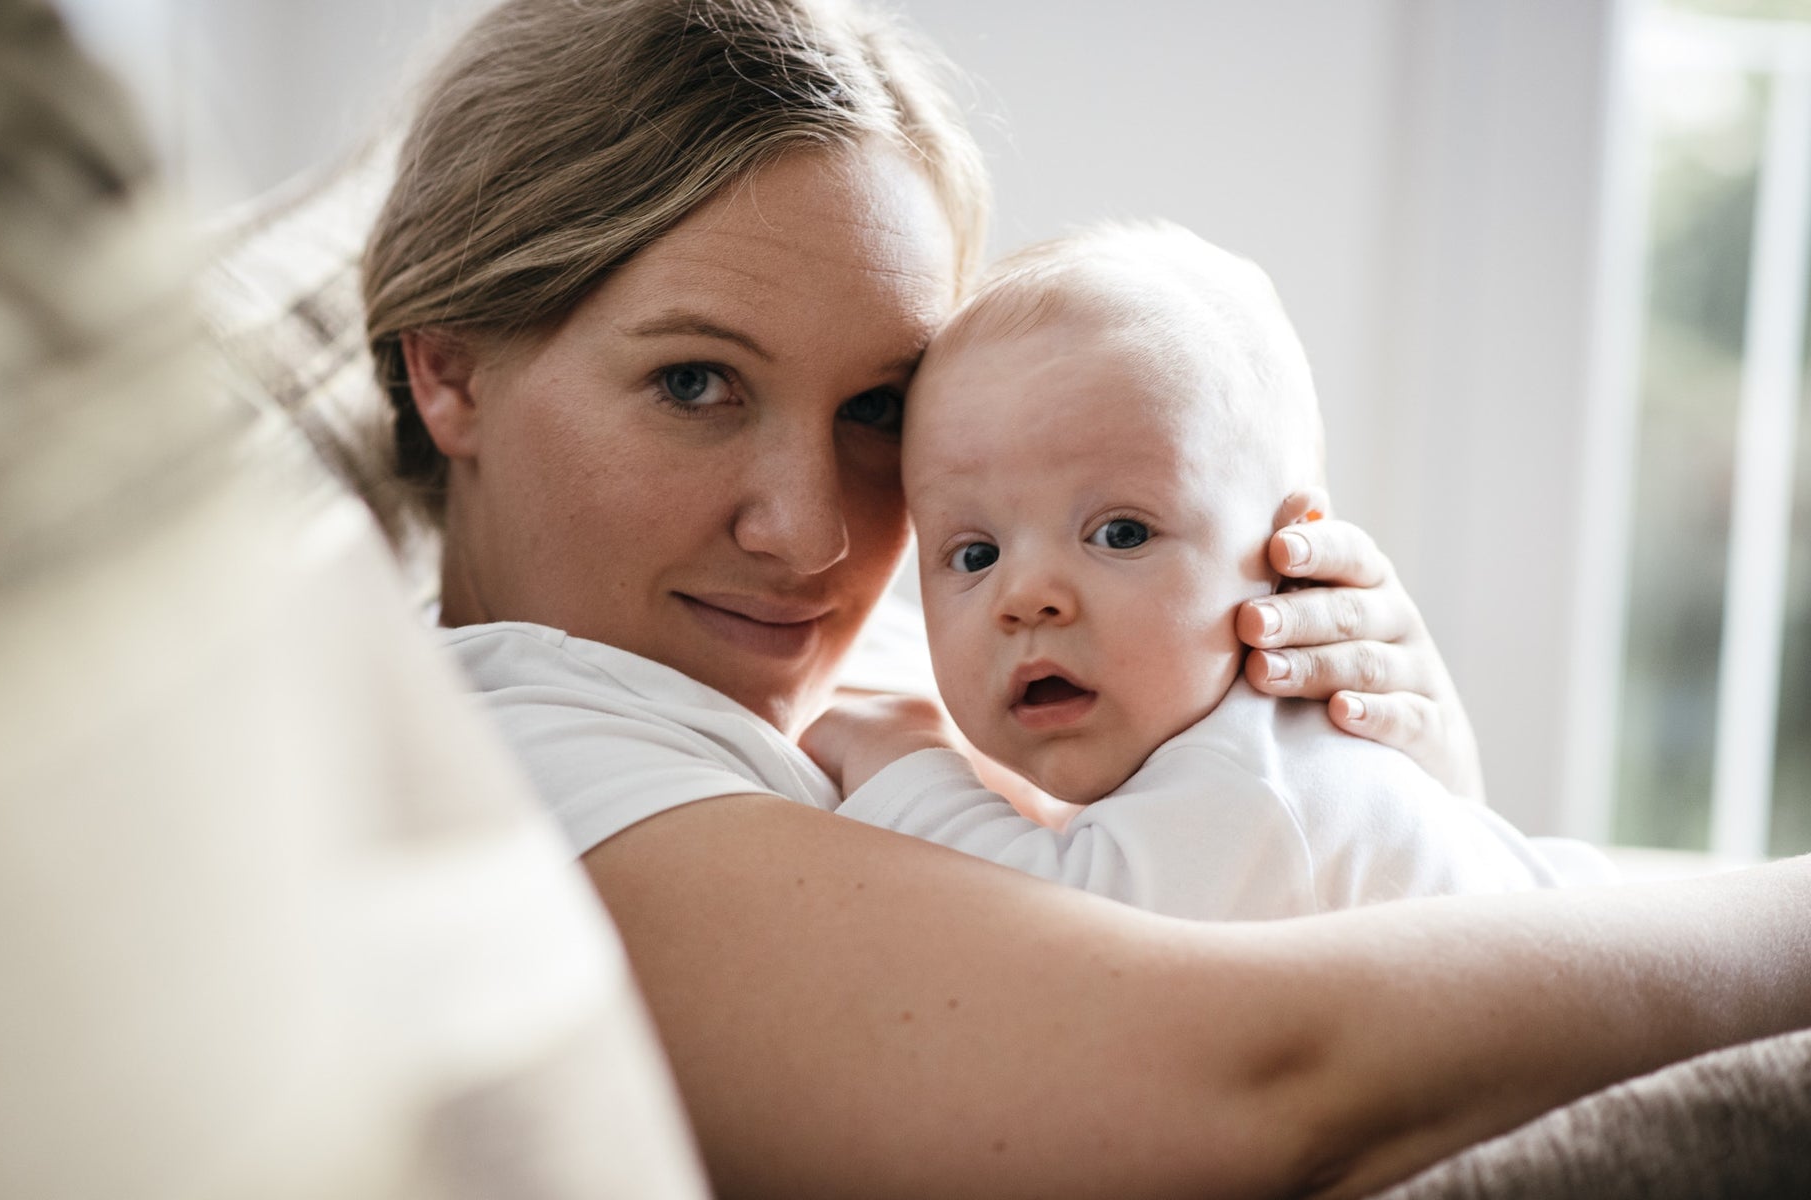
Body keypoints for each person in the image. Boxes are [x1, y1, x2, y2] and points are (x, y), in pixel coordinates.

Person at [359, 1, 1811, 1195]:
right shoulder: (540, 763)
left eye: (877, 409)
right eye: (694, 384)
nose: (810, 536)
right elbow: (1257, 1083)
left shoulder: (839, 691)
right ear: (450, 371)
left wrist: (1386, 788)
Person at [800, 222, 1614, 918]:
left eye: (1120, 533)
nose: (1027, 597)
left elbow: (1054, 935)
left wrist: (901, 762)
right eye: (975, 554)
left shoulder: (1256, 780)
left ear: (1292, 565)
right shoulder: (1209, 767)